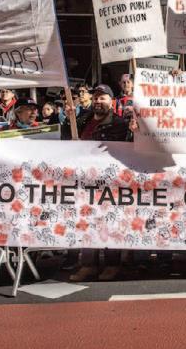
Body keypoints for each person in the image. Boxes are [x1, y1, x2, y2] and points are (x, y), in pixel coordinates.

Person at [63, 84, 132, 282]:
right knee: (87, 222)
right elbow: (65, 142)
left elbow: (127, 149)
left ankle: (112, 264)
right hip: (84, 180)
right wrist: (68, 122)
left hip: (109, 181)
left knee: (109, 222)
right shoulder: (81, 120)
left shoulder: (119, 124)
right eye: (95, 98)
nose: (98, 101)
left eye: (103, 98)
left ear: (112, 101)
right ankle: (88, 265)